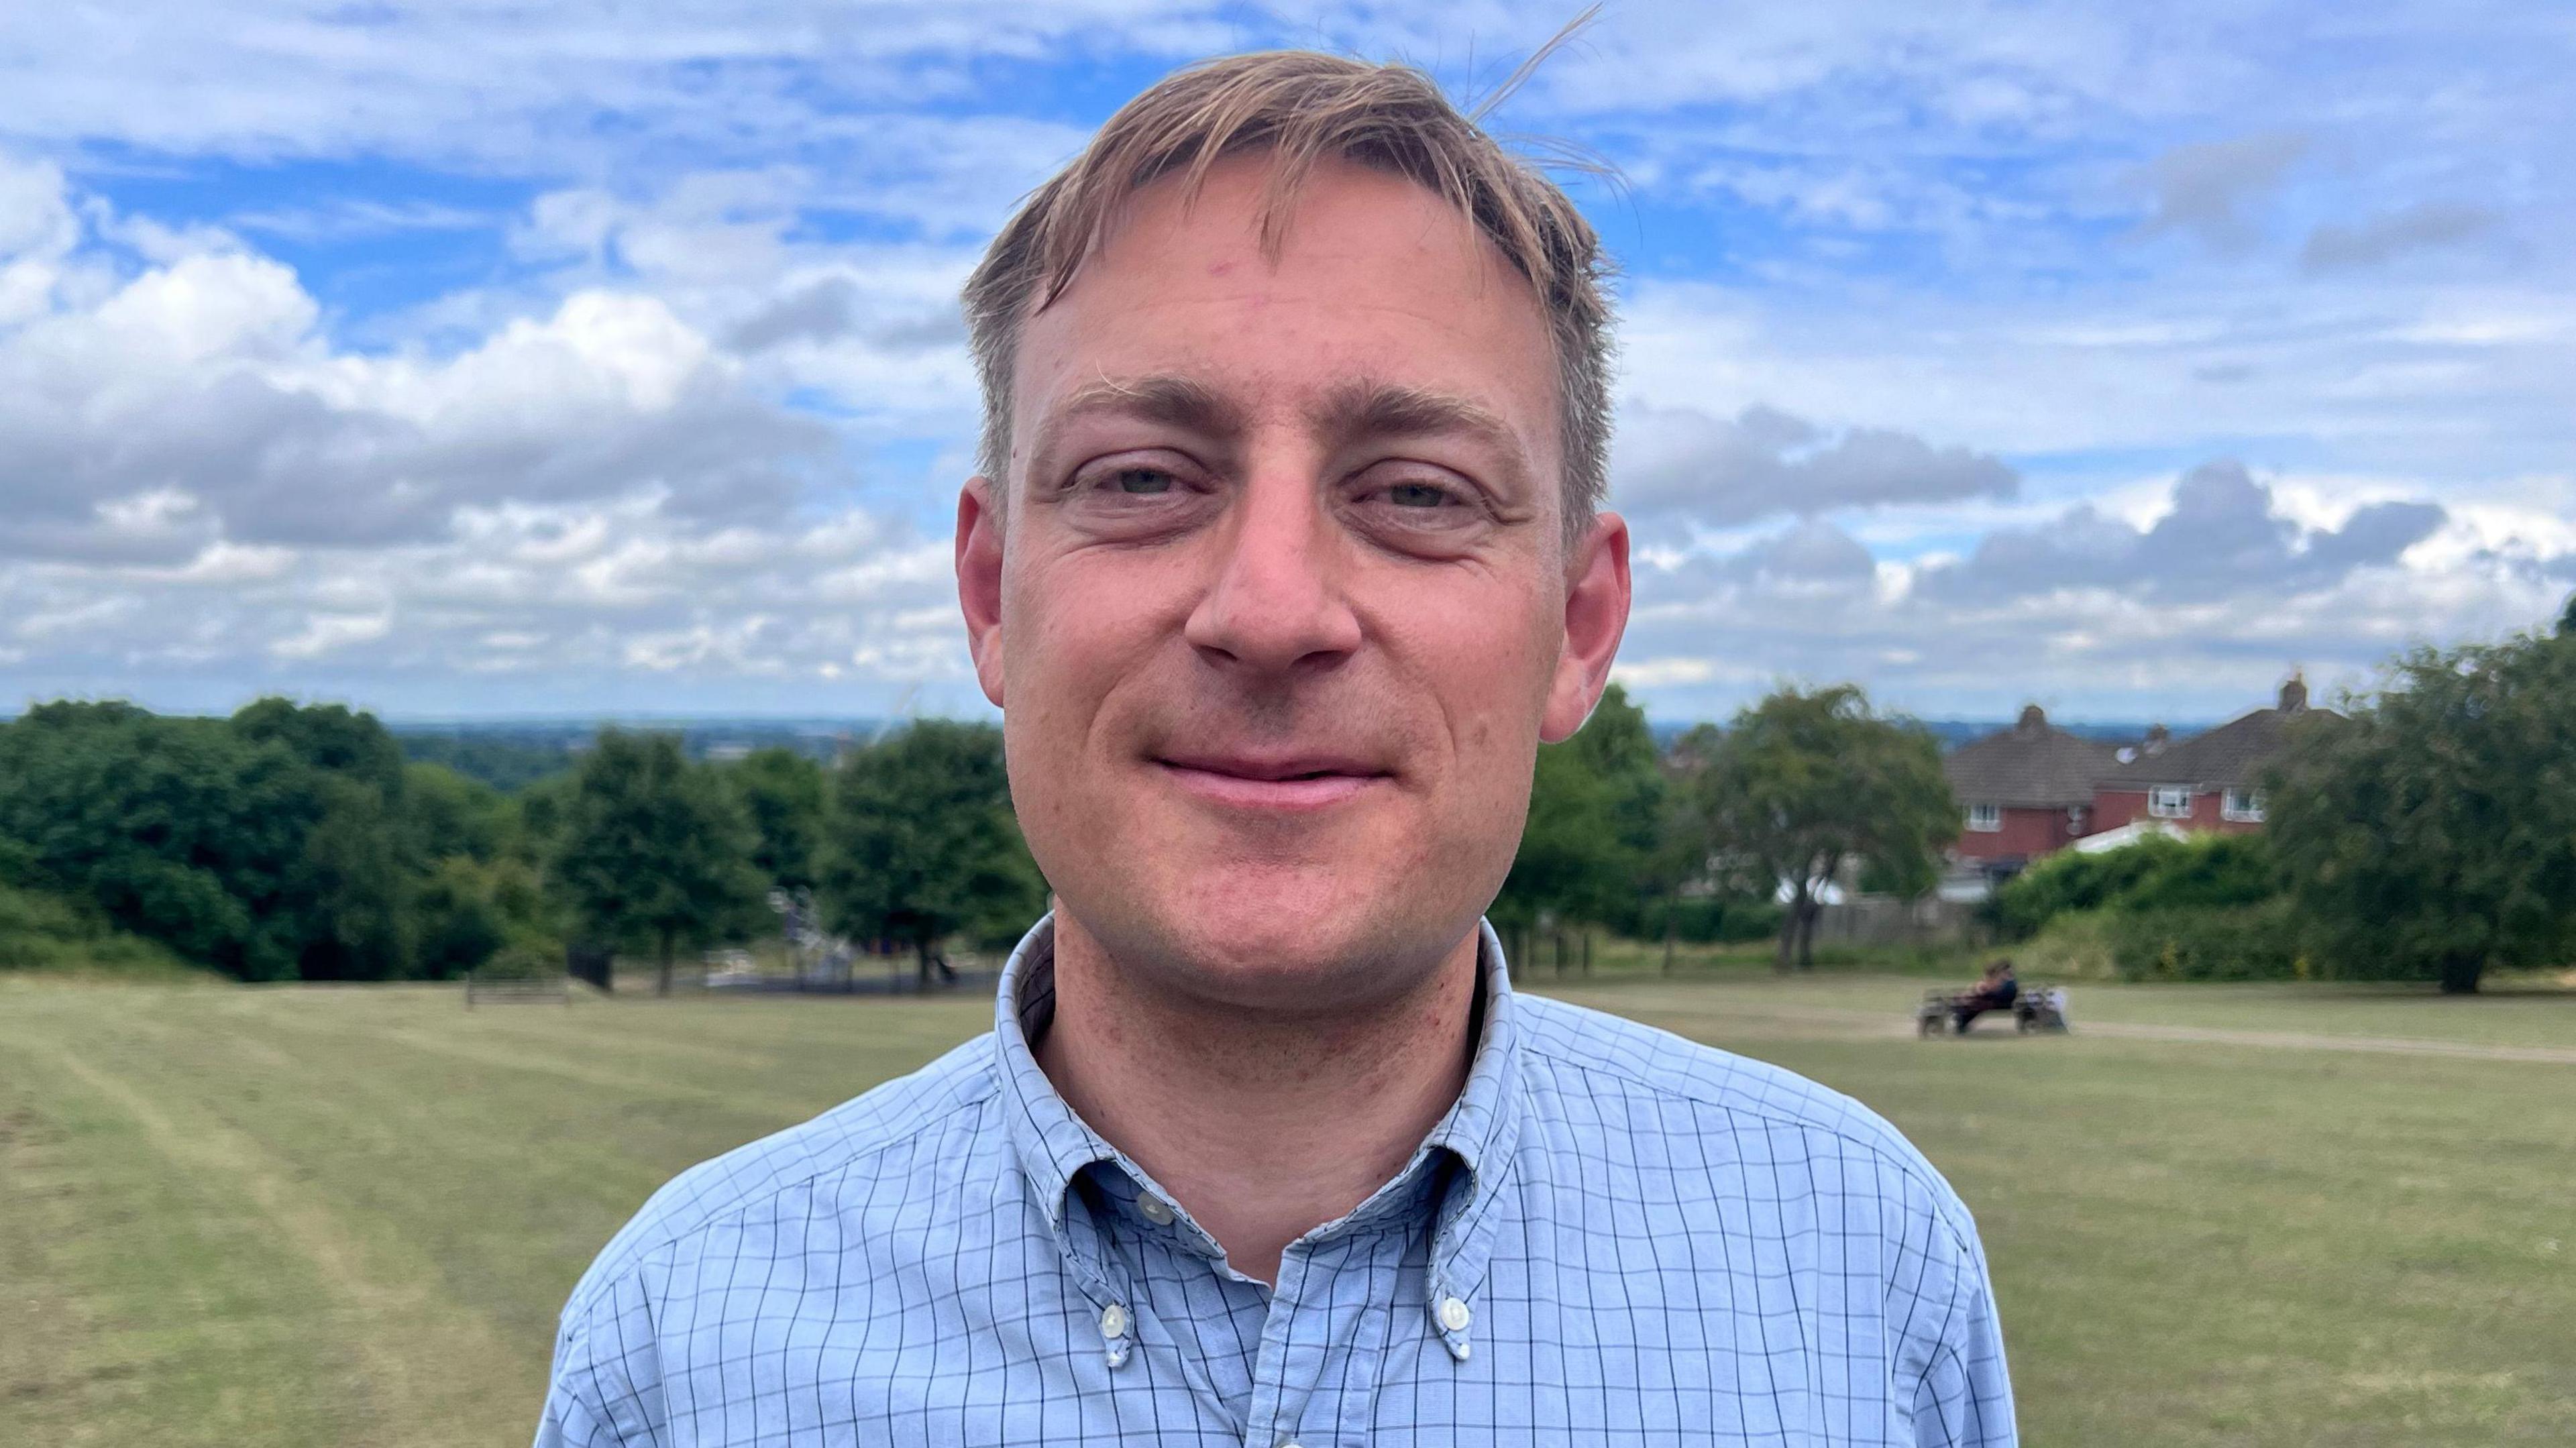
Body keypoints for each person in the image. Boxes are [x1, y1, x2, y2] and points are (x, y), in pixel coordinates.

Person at [535, 48, 2014, 1447]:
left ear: (1579, 622)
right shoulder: (686, 1337)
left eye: (1420, 491)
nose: (1272, 608)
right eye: (1142, 476)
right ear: (993, 593)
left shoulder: (1858, 1262)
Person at [1953, 960, 2022, 1035]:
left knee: (1974, 1005)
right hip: (1996, 1002)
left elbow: (2000, 995)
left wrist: (1984, 993)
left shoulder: (2009, 984)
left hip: (1999, 1003)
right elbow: (1995, 992)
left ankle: (1961, 1021)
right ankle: (1961, 1019)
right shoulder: (2007, 982)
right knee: (1973, 1004)